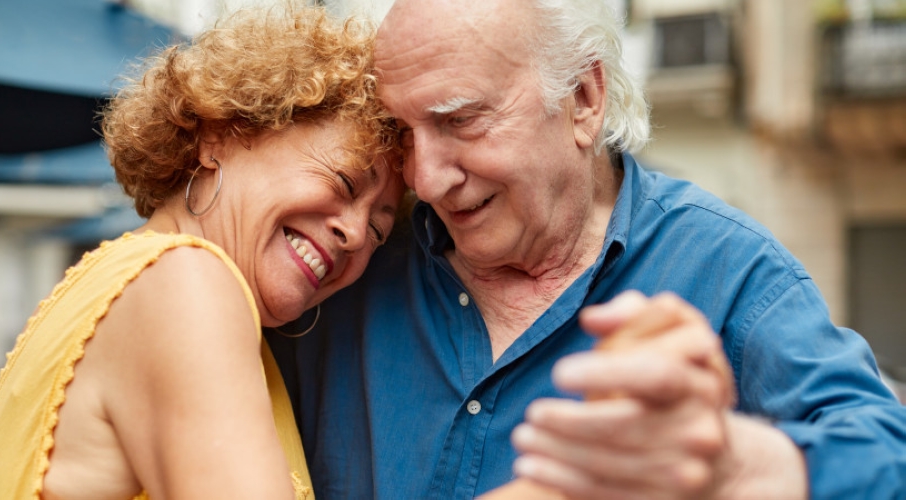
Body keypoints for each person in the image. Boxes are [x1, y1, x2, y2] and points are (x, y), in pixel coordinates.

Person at [266, 0, 906, 498]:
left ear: (583, 99)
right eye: (403, 132)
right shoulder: (351, 261)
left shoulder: (726, 271)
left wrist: (739, 467)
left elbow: (887, 460)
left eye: (459, 119)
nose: (425, 179)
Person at [0, 6, 404, 499]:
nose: (354, 233)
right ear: (222, 136)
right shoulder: (185, 282)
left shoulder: (123, 280)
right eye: (345, 181)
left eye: (378, 230)